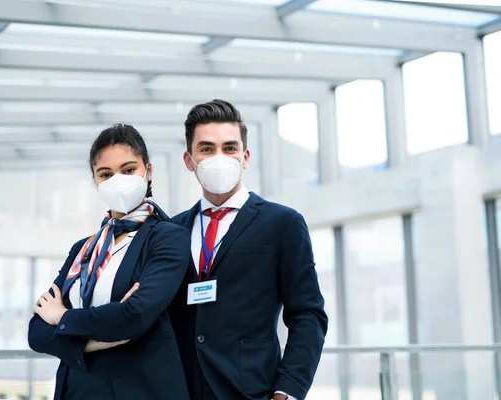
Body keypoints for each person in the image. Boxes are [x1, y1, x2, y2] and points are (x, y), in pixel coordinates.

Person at [170, 100, 328, 400]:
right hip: (182, 388)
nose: (219, 157)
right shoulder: (172, 230)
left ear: (245, 157)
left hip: (252, 389)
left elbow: (308, 313)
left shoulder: (283, 223)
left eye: (229, 148)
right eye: (206, 149)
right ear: (189, 160)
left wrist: (288, 390)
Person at [28, 124, 190, 400]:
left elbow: (135, 316)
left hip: (140, 389)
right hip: (77, 389)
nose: (118, 180)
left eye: (129, 170)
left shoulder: (167, 237)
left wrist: (62, 317)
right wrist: (93, 343)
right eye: (106, 174)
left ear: (148, 172)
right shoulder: (84, 249)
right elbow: (37, 332)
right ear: (95, 181)